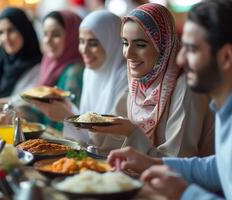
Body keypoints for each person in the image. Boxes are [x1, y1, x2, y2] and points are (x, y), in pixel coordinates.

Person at [108, 0, 232, 199]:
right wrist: (154, 163)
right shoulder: (227, 106)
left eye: (192, 49)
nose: (179, 59)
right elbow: (221, 165)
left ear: (226, 57)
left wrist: (185, 193)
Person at [92, 3, 214, 157]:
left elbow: (178, 161)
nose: (128, 54)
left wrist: (132, 133)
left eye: (140, 45)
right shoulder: (138, 83)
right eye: (125, 43)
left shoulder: (186, 86)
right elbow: (110, 142)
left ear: (163, 46)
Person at [31, 10, 128, 150]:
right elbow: (87, 121)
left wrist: (68, 116)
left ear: (112, 42)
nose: (84, 50)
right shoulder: (90, 72)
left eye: (93, 43)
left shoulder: (126, 78)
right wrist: (67, 107)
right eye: (81, 42)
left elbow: (112, 141)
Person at [31, 10, 84, 131]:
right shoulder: (49, 63)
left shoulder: (74, 72)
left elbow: (68, 124)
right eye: (45, 34)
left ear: (73, 36)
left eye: (56, 35)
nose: (48, 41)